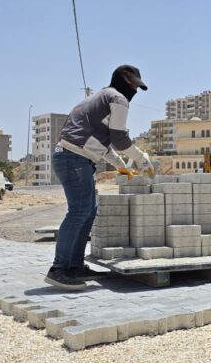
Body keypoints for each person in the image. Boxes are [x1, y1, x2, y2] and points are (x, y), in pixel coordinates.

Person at [46, 65, 154, 290]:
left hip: (72, 157)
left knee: (88, 211)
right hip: (74, 158)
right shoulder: (117, 98)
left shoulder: (97, 99)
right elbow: (120, 138)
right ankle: (58, 269)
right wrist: (142, 158)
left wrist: (121, 166)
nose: (135, 90)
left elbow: (102, 144)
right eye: (134, 84)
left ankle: (74, 266)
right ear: (124, 79)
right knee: (79, 212)